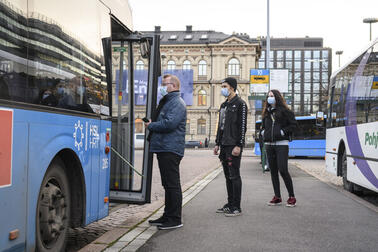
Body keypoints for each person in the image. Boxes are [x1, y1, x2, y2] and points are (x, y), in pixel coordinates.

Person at [145, 74, 187, 230]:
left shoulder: (177, 103)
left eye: (165, 84)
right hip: (165, 147)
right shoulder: (168, 101)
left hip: (170, 148)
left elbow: (169, 124)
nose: (162, 87)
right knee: (168, 185)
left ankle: (175, 219)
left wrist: (151, 125)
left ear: (174, 86)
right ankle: (167, 215)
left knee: (172, 184)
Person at [213, 77, 247, 217]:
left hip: (234, 145)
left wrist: (239, 145)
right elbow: (220, 126)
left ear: (232, 87)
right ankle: (230, 203)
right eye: (222, 86)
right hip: (224, 145)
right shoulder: (223, 105)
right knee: (227, 176)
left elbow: (242, 126)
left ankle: (236, 207)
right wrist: (217, 143)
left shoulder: (240, 104)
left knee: (234, 175)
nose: (222, 89)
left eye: (224, 86)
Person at [260, 89, 298, 207]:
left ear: (277, 97)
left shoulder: (285, 111)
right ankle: (277, 196)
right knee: (273, 172)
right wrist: (262, 133)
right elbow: (263, 126)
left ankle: (291, 196)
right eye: (268, 96)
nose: (269, 98)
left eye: (271, 96)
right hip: (269, 145)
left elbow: (294, 125)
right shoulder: (266, 112)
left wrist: (282, 132)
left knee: (283, 170)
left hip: (282, 144)